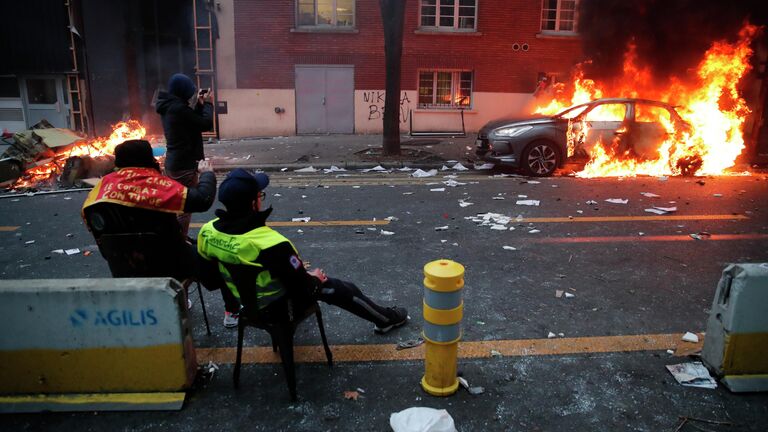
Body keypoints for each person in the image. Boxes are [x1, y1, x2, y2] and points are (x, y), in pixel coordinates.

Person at [197, 169, 409, 334]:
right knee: (340, 288)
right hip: (277, 308)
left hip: (245, 304)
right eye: (259, 194)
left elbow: (210, 279)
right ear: (255, 203)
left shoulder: (208, 232)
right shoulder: (271, 244)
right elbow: (302, 288)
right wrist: (314, 279)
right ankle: (386, 319)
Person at [81, 139, 241, 327]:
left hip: (124, 266)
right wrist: (206, 175)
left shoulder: (100, 189)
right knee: (220, 254)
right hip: (170, 263)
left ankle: (176, 298)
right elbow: (202, 200)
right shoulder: (154, 183)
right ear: (149, 159)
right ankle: (232, 311)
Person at [156, 73, 214, 237]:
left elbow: (191, 123)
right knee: (185, 207)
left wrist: (200, 106)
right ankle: (179, 241)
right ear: (183, 92)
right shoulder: (178, 109)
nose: (192, 93)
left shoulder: (170, 107)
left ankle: (175, 236)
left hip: (174, 163)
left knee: (175, 204)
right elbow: (204, 124)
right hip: (184, 166)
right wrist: (208, 104)